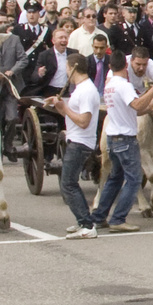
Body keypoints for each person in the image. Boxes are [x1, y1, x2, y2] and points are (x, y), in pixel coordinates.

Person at [90, 51, 153, 234]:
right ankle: (118, 219)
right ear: (126, 67)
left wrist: (150, 108)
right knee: (134, 180)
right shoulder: (124, 85)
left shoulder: (109, 86)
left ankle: (99, 216)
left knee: (115, 178)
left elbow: (133, 111)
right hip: (125, 138)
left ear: (110, 67)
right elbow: (137, 106)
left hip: (113, 136)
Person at [49, 53, 103, 239]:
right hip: (76, 139)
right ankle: (83, 221)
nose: (65, 71)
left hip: (81, 141)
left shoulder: (86, 90)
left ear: (72, 68)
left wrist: (64, 109)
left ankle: (87, 225)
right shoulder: (80, 89)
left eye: (66, 67)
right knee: (69, 183)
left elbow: (84, 121)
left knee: (68, 184)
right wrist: (59, 106)